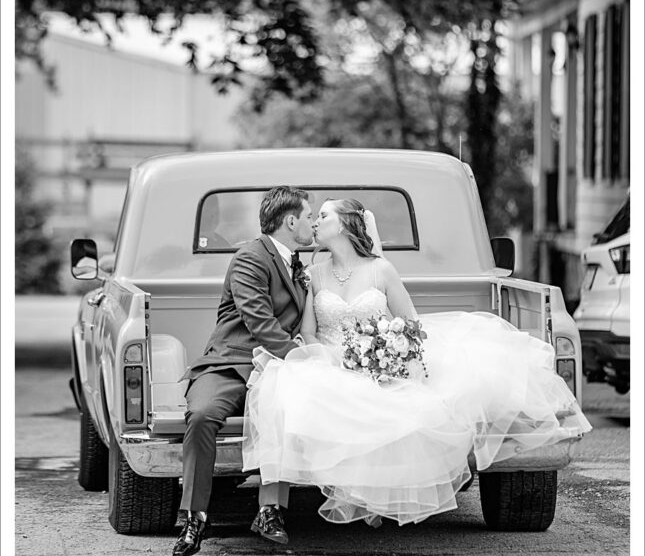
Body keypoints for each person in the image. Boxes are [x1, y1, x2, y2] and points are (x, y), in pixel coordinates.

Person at [242, 199, 592, 528]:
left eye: (323, 216)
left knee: (406, 408)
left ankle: (375, 494)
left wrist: (385, 357)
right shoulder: (315, 274)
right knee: (303, 392)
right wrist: (330, 363)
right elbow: (309, 331)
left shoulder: (381, 270)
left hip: (376, 367)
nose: (315, 222)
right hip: (331, 363)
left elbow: (410, 325)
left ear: (347, 225)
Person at [172, 186, 314, 556]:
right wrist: (300, 358)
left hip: (274, 371)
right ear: (290, 220)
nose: (313, 223)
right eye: (309, 216)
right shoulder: (250, 257)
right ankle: (194, 518)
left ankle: (270, 512)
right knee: (202, 415)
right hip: (231, 362)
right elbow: (259, 321)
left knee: (284, 414)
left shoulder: (299, 266)